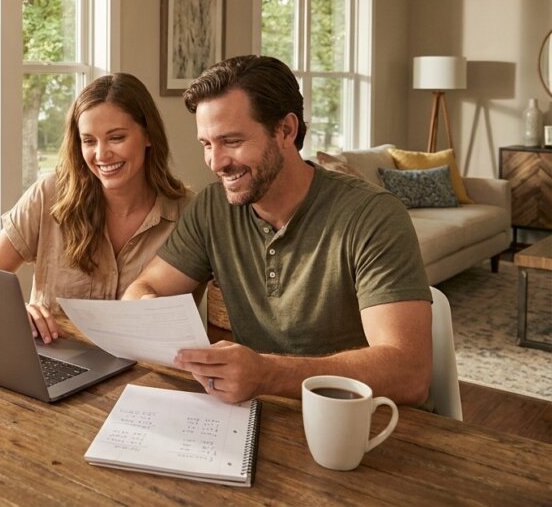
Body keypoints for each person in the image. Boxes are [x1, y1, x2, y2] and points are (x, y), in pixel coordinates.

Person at [123, 55, 433, 407]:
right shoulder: (212, 208)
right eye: (207, 144)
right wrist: (150, 312)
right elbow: (142, 290)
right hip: (261, 415)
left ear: (286, 130)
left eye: (232, 141)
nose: (215, 162)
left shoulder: (372, 215)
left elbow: (410, 374)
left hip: (364, 423)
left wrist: (267, 373)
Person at [0, 73, 191, 344]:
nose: (101, 155)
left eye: (116, 138)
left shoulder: (188, 214)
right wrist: (16, 311)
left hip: (146, 375)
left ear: (148, 135)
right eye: (89, 141)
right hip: (54, 364)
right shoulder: (49, 195)